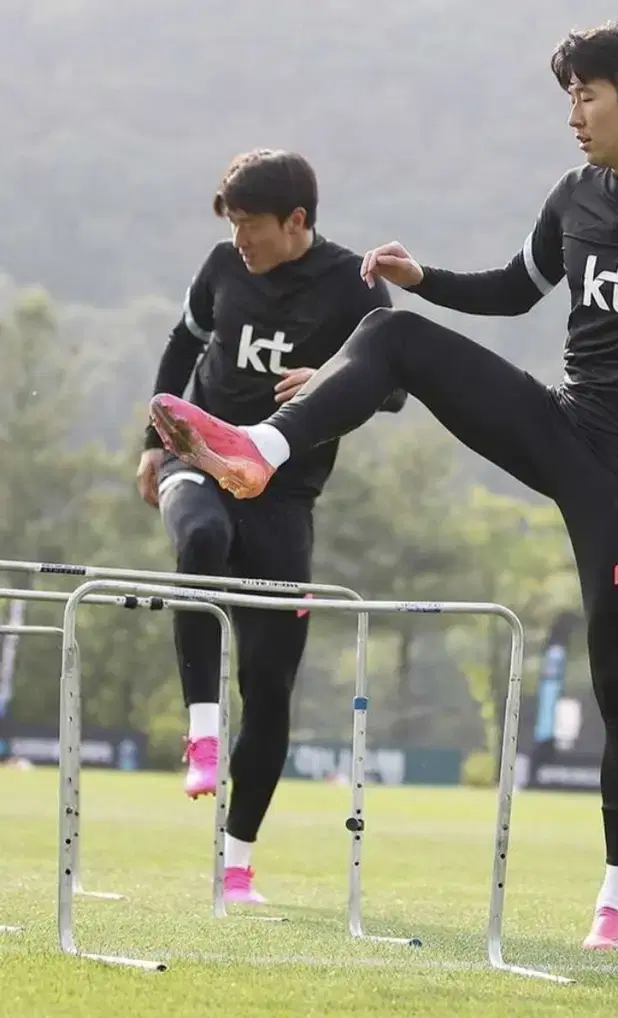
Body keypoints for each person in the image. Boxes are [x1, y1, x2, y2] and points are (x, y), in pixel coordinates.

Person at [145, 18, 618, 949]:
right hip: (561, 423)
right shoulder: (574, 195)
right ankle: (262, 452)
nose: (574, 116)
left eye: (587, 96)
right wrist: (419, 276)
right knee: (391, 335)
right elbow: (517, 287)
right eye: (568, 97)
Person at [135, 149, 407, 905]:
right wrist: (154, 440)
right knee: (200, 540)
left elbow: (394, 393)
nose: (240, 241)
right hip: (198, 461)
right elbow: (182, 344)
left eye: (251, 226)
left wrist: (329, 381)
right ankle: (200, 730)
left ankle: (239, 861)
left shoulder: (355, 286)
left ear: (297, 222)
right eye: (232, 225)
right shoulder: (221, 268)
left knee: (270, 682)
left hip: (286, 493)